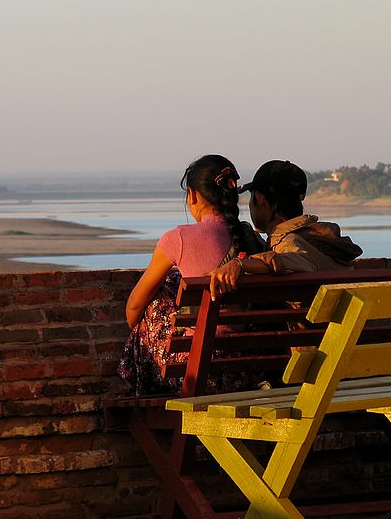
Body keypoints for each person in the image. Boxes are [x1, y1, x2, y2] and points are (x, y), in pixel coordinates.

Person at [118, 154, 265, 395]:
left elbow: (133, 307)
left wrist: (146, 332)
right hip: (249, 371)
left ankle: (139, 383)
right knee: (173, 283)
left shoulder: (178, 239)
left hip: (198, 374)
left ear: (193, 195)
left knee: (156, 297)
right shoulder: (254, 240)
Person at [207, 160, 363, 300]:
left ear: (260, 200)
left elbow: (297, 260)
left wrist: (240, 263)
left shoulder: (288, 243)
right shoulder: (317, 236)